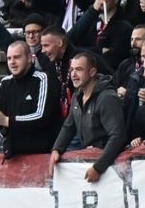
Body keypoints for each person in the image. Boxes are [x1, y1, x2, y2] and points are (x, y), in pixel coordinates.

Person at [50, 53, 129, 181]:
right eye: (71, 70)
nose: (73, 74)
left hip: (110, 168)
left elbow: (118, 136)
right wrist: (56, 149)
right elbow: (69, 126)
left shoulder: (107, 98)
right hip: (91, 161)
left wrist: (98, 168)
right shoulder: (77, 95)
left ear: (92, 72)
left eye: (79, 69)